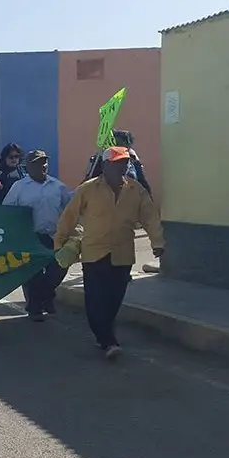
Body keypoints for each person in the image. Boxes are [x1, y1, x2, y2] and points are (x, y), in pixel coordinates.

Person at [54, 146, 165, 360]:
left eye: (124, 163)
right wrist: (59, 242)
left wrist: (157, 241)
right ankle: (108, 340)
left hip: (122, 254)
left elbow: (149, 216)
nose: (122, 167)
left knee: (114, 298)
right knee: (96, 299)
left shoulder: (136, 190)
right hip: (94, 252)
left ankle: (103, 333)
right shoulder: (87, 189)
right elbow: (69, 216)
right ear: (105, 166)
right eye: (116, 163)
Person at [2, 150, 73, 322]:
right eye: (38, 163)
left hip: (54, 236)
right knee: (33, 274)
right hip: (30, 236)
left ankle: (47, 296)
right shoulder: (19, 187)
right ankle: (35, 308)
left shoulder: (58, 187)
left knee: (58, 269)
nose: (42, 166)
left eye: (44, 162)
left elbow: (69, 208)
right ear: (28, 166)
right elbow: (7, 210)